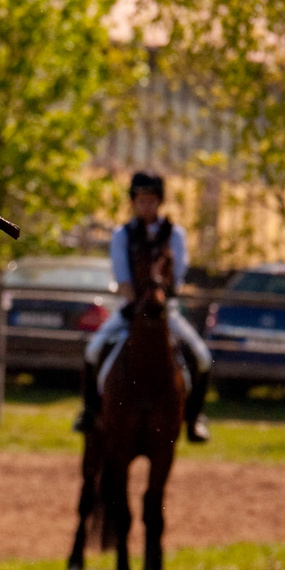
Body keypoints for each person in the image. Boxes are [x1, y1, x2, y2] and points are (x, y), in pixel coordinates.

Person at [77, 171, 212, 443]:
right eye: (141, 200)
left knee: (202, 356)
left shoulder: (174, 234)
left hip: (165, 311)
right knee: (93, 350)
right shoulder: (122, 235)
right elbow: (122, 277)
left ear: (159, 201)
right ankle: (90, 412)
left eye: (151, 200)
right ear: (133, 202)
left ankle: (195, 418)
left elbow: (178, 276)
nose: (146, 205)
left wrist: (159, 299)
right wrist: (136, 304)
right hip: (131, 308)